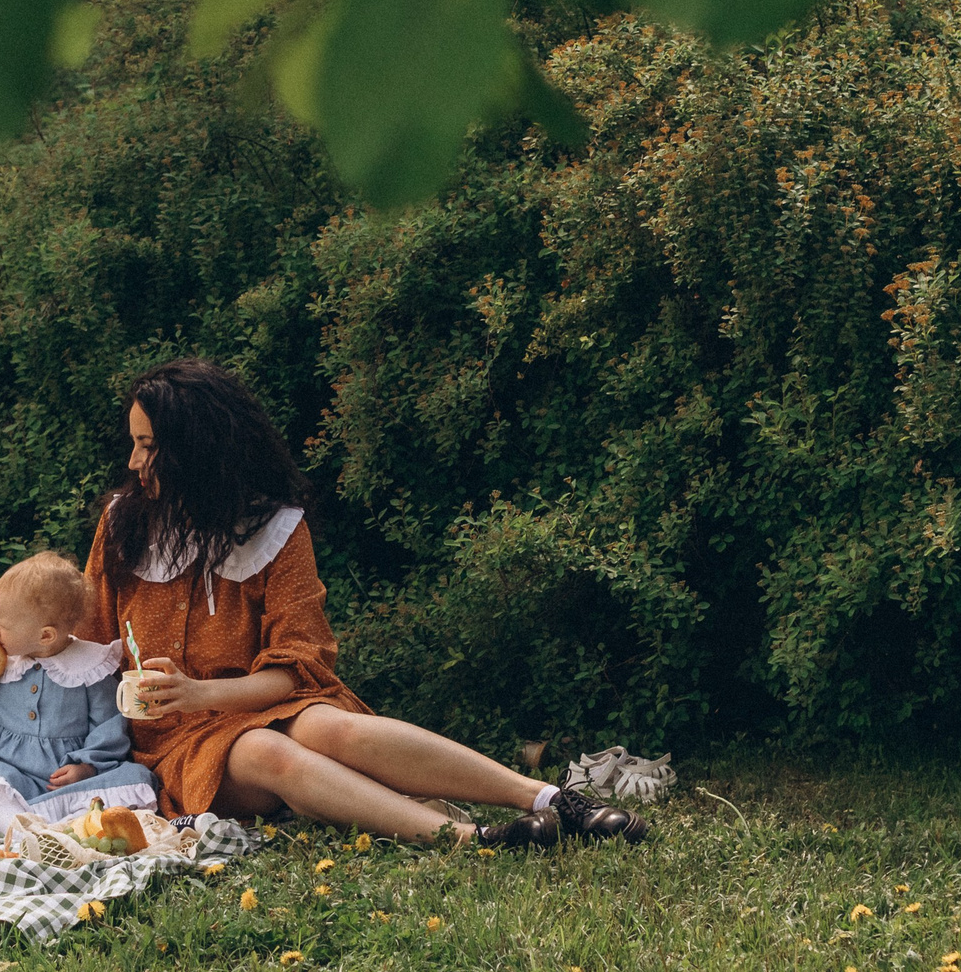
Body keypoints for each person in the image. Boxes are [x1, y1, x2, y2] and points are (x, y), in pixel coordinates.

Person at [82, 359, 649, 847]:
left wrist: (202, 690)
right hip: (168, 743)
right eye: (135, 444)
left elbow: (294, 670)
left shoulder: (275, 529)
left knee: (330, 727)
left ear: (197, 452)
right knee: (263, 751)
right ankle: (474, 839)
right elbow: (86, 654)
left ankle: (550, 797)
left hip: (264, 703)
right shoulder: (122, 527)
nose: (134, 462)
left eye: (148, 446)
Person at [0, 550, 160, 832]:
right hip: (11, 773)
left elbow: (108, 725)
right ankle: (23, 833)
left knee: (135, 779)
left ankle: (65, 824)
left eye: (4, 625)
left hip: (66, 779)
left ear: (45, 635)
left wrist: (86, 767)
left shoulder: (89, 667)